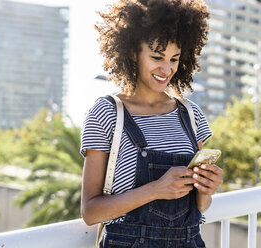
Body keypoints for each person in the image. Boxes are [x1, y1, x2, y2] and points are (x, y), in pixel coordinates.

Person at [81, 0, 223, 247]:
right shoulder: (106, 113)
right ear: (132, 52)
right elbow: (90, 212)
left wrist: (206, 189)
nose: (166, 69)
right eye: (157, 57)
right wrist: (155, 190)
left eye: (174, 59)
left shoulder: (191, 114)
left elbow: (201, 207)